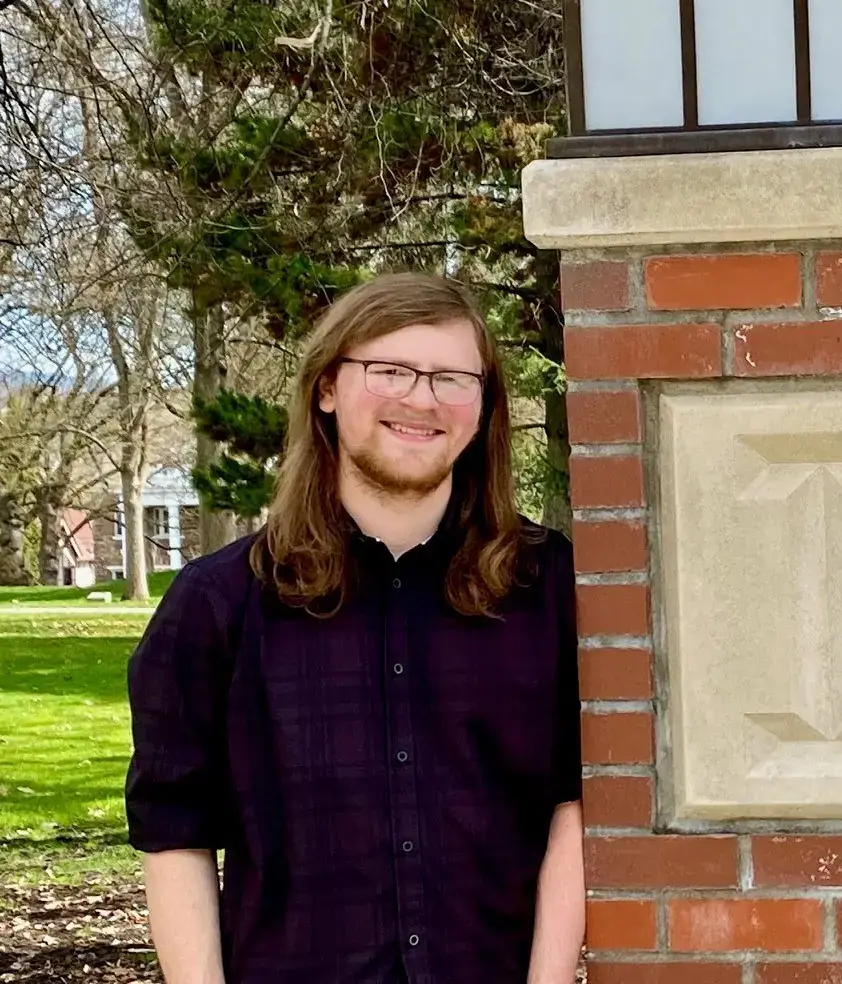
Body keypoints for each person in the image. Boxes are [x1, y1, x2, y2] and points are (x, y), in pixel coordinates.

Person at [124, 273, 586, 984]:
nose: (422, 399)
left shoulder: (549, 587)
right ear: (327, 388)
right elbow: (175, 836)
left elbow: (573, 803)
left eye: (452, 378)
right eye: (390, 370)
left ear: (484, 406)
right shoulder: (217, 605)